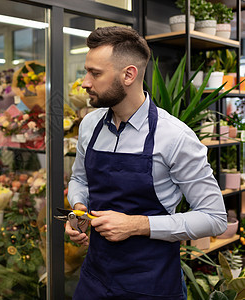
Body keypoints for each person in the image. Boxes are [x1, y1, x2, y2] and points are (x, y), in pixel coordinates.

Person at [66, 26, 227, 299]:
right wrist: (79, 209)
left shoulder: (175, 137)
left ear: (129, 74)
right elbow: (80, 179)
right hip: (95, 278)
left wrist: (136, 225)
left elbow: (214, 218)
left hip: (151, 284)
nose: (85, 82)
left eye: (95, 73)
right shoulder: (90, 125)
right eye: (86, 71)